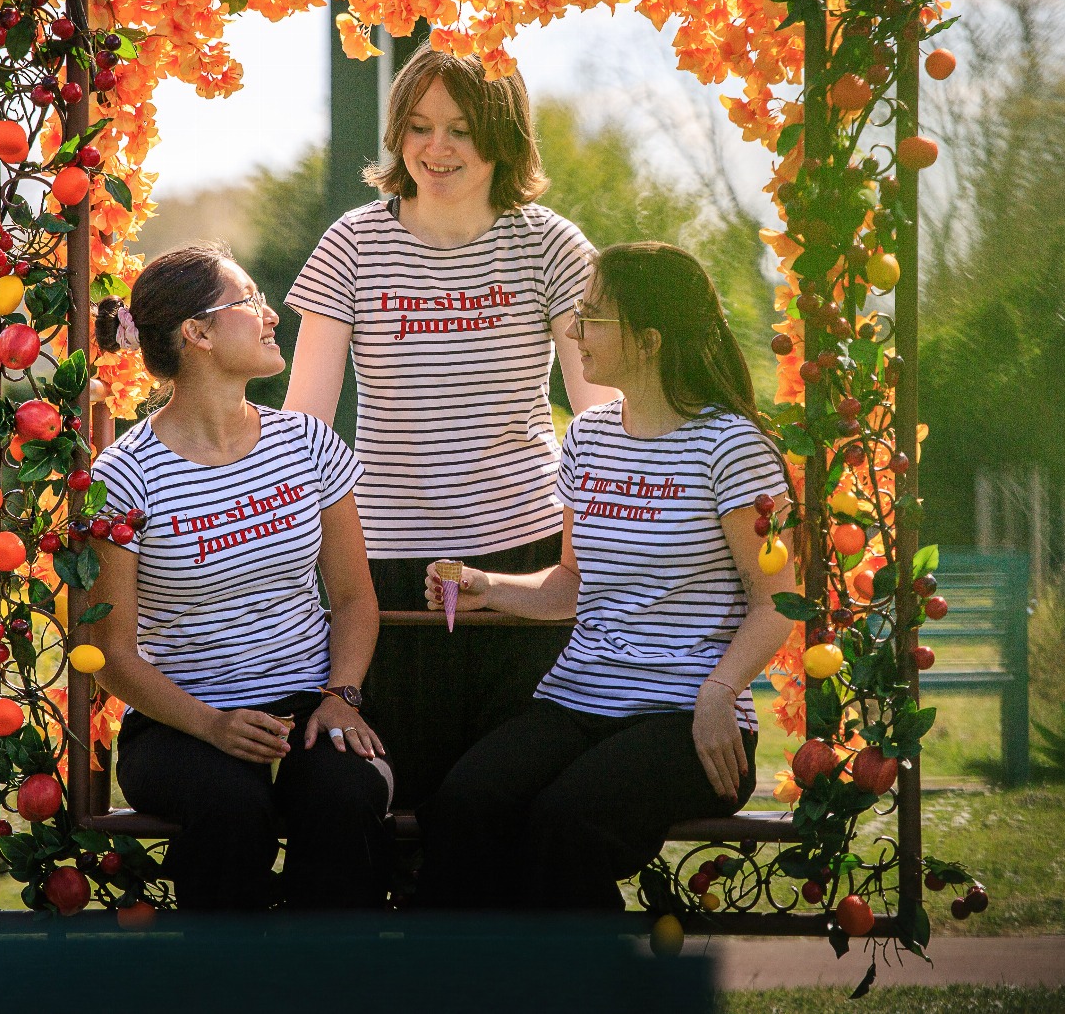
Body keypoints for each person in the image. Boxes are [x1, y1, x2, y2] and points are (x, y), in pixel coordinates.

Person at [283, 45, 618, 810]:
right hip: (387, 562)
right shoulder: (353, 243)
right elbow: (305, 427)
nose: (436, 148)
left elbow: (602, 416)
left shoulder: (550, 244)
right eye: (420, 126)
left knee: (501, 797)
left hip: (528, 557)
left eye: (462, 129)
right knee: (408, 793)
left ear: (503, 138)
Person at [414, 242, 794, 910]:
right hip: (577, 700)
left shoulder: (733, 447)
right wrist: (487, 586)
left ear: (649, 340)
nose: (573, 331)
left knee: (564, 828)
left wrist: (720, 691)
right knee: (464, 805)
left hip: (689, 721)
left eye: (591, 316)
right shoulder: (588, 437)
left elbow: (779, 602)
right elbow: (571, 583)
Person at [87, 243, 392, 910]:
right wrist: (211, 725)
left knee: (346, 794)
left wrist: (342, 695)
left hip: (312, 705)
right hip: (179, 724)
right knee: (230, 805)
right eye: (250, 301)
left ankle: (339, 967)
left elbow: (352, 598)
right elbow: (112, 655)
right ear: (197, 333)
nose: (271, 314)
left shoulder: (309, 444)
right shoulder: (122, 477)